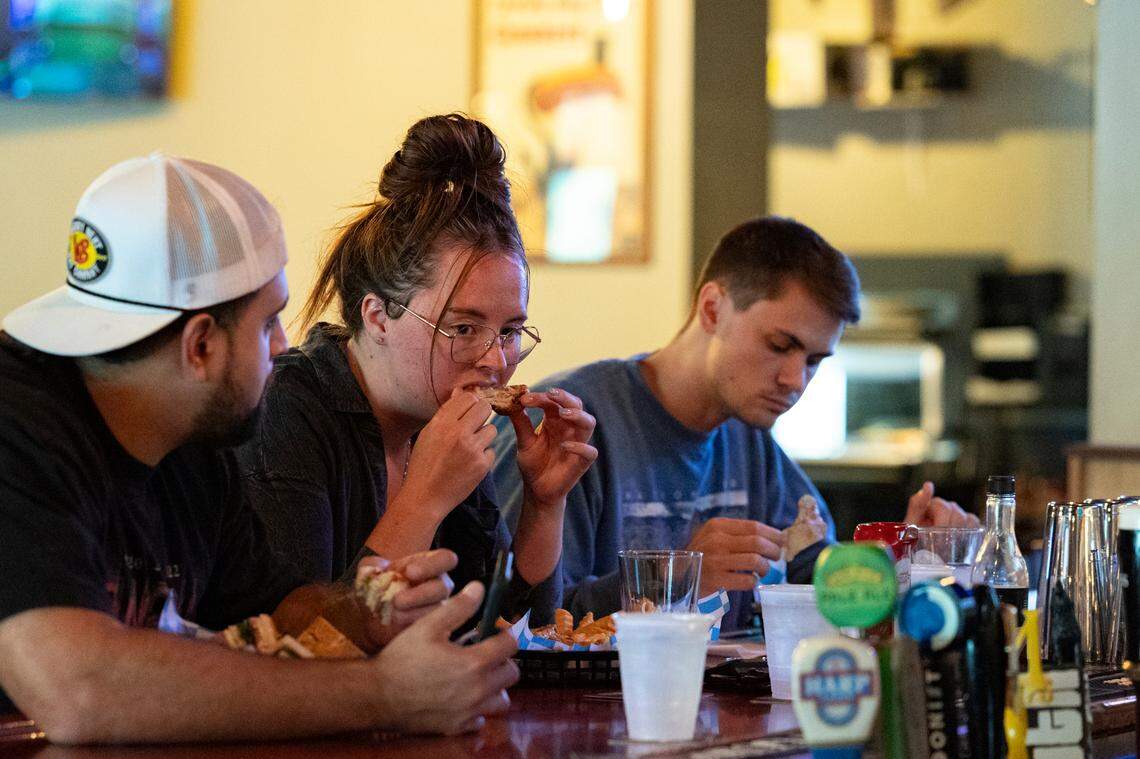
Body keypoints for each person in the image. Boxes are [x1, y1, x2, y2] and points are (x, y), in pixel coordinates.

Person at [0, 154, 519, 743]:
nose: (284, 346)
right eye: (269, 322)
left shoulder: (193, 442)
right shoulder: (19, 433)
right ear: (200, 346)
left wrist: (367, 613)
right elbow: (78, 690)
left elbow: (273, 615)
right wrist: (387, 693)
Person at [491, 215, 976, 630]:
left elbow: (821, 585)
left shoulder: (752, 443)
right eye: (780, 345)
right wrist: (674, 579)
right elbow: (520, 624)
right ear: (712, 308)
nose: (795, 379)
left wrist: (907, 561)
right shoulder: (568, 425)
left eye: (814, 360)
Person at [234, 113, 596, 625]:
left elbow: (513, 634)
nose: (495, 362)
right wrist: (425, 498)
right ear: (378, 315)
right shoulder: (286, 409)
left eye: (511, 331)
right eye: (464, 329)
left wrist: (545, 502)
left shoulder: (439, 412)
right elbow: (297, 647)